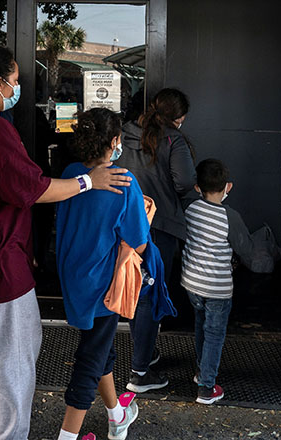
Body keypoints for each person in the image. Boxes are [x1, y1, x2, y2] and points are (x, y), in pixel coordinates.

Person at [0, 44, 132, 440]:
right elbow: (32, 189)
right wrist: (89, 181)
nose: (17, 88)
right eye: (15, 82)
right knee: (14, 373)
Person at [55, 109, 148, 440]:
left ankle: (116, 414)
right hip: (103, 286)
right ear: (114, 141)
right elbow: (138, 241)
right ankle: (68, 435)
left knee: (100, 349)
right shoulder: (125, 181)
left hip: (73, 279)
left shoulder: (70, 174)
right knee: (89, 362)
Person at [117, 88, 197, 393]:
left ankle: (146, 353)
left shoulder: (124, 134)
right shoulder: (172, 139)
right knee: (148, 295)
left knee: (135, 289)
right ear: (178, 117)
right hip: (159, 226)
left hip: (126, 224)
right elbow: (185, 181)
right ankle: (139, 373)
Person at [182, 158, 279, 405]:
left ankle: (200, 372)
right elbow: (246, 249)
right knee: (214, 333)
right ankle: (206, 387)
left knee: (201, 326)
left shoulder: (190, 209)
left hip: (192, 283)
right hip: (217, 287)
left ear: (197, 187)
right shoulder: (230, 217)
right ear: (229, 187)